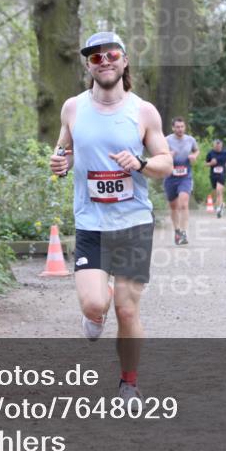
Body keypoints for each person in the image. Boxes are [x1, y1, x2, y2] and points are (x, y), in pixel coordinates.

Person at [49, 31, 172, 402]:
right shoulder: (72, 108)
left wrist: (140, 162)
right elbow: (63, 150)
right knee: (94, 304)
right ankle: (94, 315)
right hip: (91, 223)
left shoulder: (143, 111)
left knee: (127, 308)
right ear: (88, 65)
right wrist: (59, 162)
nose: (105, 62)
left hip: (134, 223)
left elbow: (166, 163)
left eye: (112, 55)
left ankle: (128, 383)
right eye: (96, 58)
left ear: (125, 60)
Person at [163, 117, 199, 245]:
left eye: (182, 127)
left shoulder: (190, 140)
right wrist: (168, 155)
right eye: (177, 127)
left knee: (184, 204)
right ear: (173, 128)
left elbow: (196, 150)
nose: (180, 129)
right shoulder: (166, 140)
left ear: (185, 127)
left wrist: (194, 156)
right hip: (170, 176)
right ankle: (177, 231)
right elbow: (159, 154)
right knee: (174, 207)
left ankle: (184, 233)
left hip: (185, 176)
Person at [205, 139, 226, 218]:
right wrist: (211, 163)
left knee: (219, 190)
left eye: (219, 146)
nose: (218, 147)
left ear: (221, 145)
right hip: (213, 175)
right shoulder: (210, 153)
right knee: (217, 192)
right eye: (216, 146)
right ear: (214, 146)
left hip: (222, 174)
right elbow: (206, 164)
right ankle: (221, 205)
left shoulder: (225, 153)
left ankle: (219, 209)